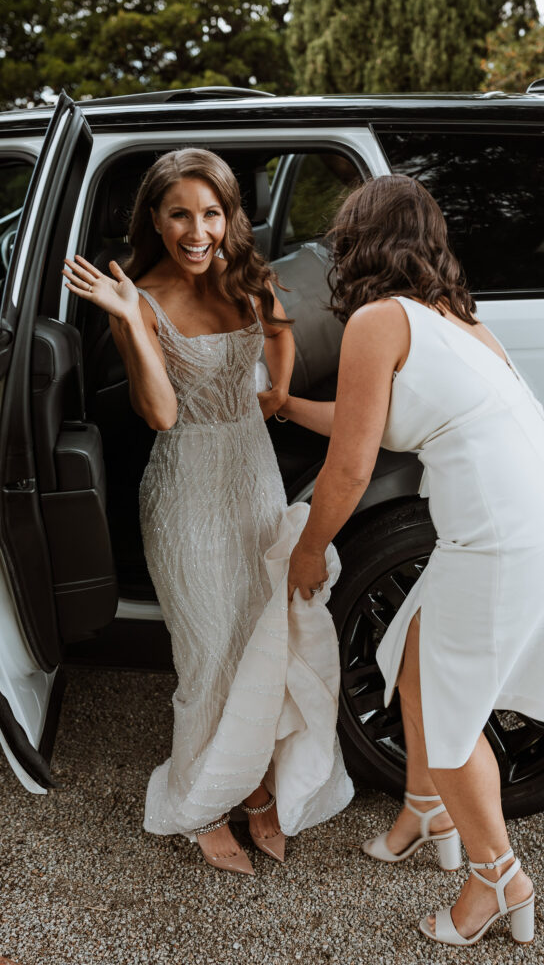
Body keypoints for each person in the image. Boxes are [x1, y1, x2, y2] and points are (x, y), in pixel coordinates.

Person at [284, 175, 544, 946]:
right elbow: (382, 423)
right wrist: (287, 406)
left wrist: (308, 547)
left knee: (452, 718)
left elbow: (352, 468)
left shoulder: (375, 320)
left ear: (355, 240)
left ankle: (498, 880)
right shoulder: (458, 323)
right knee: (417, 663)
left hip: (502, 538)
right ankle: (428, 813)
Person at [63, 148, 352, 875]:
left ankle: (257, 790)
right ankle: (203, 805)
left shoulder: (248, 277)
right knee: (206, 656)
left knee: (262, 645)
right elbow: (159, 414)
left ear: (229, 218)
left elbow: (281, 334)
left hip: (254, 480)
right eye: (180, 214)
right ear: (155, 221)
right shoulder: (144, 296)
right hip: (185, 491)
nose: (198, 230)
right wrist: (131, 320)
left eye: (211, 213)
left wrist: (277, 396)